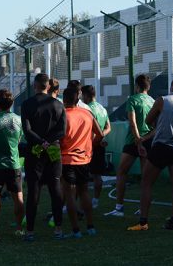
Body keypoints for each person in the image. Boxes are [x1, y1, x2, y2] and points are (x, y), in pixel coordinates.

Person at [128, 74, 173, 231]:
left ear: (172, 84)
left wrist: (160, 120)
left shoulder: (163, 100)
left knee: (147, 182)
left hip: (162, 145)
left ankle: (143, 222)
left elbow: (148, 120)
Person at [21, 73, 66, 241]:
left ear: (34, 86)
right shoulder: (58, 104)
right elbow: (62, 130)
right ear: (48, 86)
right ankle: (58, 230)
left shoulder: (27, 104)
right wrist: (48, 142)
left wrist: (41, 141)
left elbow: (27, 130)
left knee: (33, 191)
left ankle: (30, 232)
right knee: (56, 189)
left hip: (35, 151)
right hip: (53, 151)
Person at [105, 74, 154, 217]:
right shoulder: (153, 101)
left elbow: (132, 123)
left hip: (133, 140)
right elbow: (156, 125)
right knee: (146, 177)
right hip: (148, 140)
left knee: (121, 172)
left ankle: (119, 208)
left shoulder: (133, 99)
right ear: (148, 87)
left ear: (137, 86)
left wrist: (138, 140)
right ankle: (142, 208)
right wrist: (144, 139)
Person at [60, 87, 104, 237]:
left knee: (70, 194)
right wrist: (90, 145)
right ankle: (90, 226)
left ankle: (76, 230)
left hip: (67, 159)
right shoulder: (87, 114)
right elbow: (100, 134)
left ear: (64, 100)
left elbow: (59, 137)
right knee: (84, 192)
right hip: (84, 159)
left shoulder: (63, 115)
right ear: (77, 99)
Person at [0, 89, 24, 236]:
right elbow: (19, 139)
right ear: (12, 103)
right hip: (13, 163)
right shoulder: (18, 119)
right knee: (18, 197)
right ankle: (19, 228)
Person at [81, 85, 111, 209]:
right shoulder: (102, 108)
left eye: (82, 96)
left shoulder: (87, 108)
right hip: (99, 145)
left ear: (86, 95)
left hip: (88, 146)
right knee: (97, 175)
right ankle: (95, 201)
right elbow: (108, 127)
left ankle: (82, 203)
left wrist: (95, 139)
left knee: (82, 177)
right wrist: (101, 137)